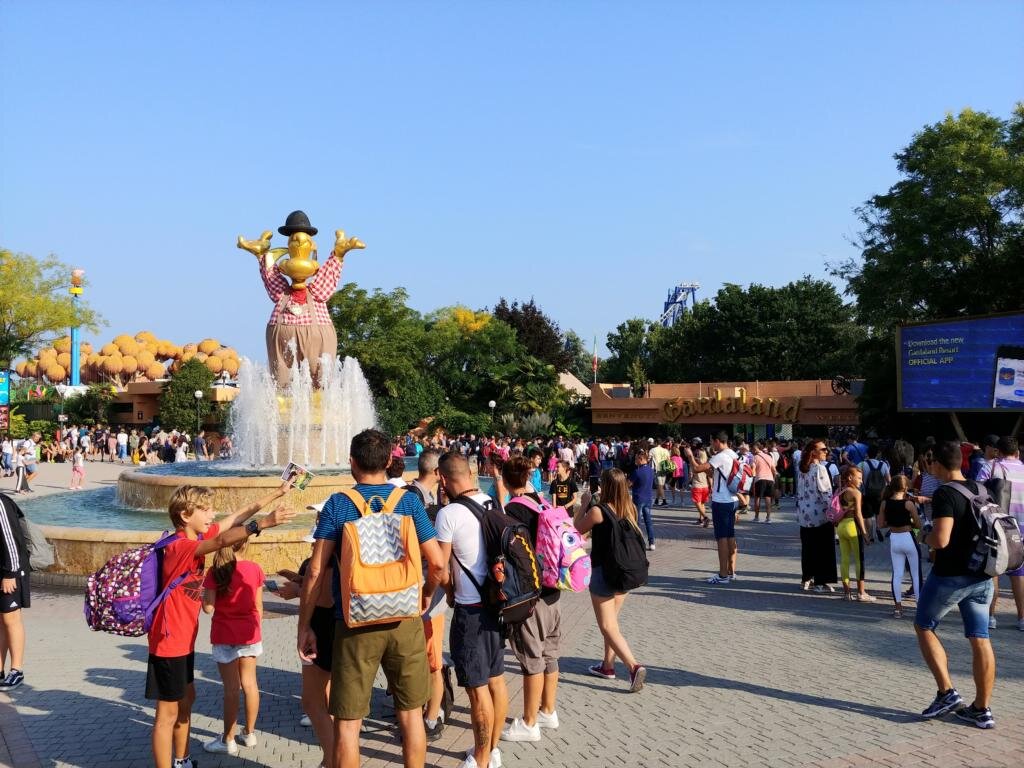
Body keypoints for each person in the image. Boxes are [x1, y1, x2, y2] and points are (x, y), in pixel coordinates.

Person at [297, 429, 445, 768]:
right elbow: (437, 563)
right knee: (410, 715)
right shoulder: (409, 502)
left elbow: (316, 571)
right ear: (390, 461)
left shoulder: (338, 504)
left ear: (352, 462)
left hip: (354, 621)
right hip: (404, 617)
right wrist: (425, 595)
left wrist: (305, 625)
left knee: (348, 724)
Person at [147, 482, 295, 768]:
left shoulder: (196, 536)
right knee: (167, 714)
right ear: (185, 515)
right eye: (205, 510)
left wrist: (277, 492)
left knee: (186, 701)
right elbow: (221, 541)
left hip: (183, 641)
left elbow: (237, 516)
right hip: (168, 641)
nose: (212, 515)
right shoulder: (180, 546)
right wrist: (262, 524)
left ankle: (182, 760)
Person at [914, 440, 996, 729]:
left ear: (936, 464)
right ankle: (981, 709)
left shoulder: (945, 493)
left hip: (950, 576)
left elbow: (941, 539)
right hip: (983, 576)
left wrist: (923, 535)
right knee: (980, 638)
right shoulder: (982, 489)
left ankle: (946, 692)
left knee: (924, 626)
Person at [434, 452, 508, 768]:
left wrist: (449, 593)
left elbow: (440, 568)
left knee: (477, 691)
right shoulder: (492, 503)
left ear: (443, 478)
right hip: (497, 605)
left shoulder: (448, 514)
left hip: (471, 612)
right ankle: (492, 750)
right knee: (496, 680)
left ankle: (481, 758)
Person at [499, 456, 562, 744]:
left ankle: (529, 722)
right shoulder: (541, 501)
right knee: (550, 654)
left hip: (531, 595)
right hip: (553, 591)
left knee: (531, 659)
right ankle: (548, 710)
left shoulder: (513, 509)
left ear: (505, 480)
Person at [573, 468, 647, 693]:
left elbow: (576, 530)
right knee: (612, 623)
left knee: (607, 626)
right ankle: (607, 666)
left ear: (605, 486)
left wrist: (584, 504)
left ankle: (633, 667)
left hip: (603, 573)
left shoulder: (598, 511)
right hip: (624, 572)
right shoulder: (630, 509)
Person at [275, 508, 337, 767]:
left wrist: (298, 591)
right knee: (322, 702)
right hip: (332, 629)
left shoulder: (329, 552)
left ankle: (332, 759)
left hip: (322, 629)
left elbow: (327, 596)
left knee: (312, 702)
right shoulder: (343, 549)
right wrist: (298, 579)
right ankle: (331, 758)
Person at [201, 541, 265, 755]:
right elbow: (258, 606)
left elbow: (208, 608)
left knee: (231, 688)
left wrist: (202, 595)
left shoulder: (215, 571)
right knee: (250, 684)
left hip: (224, 633)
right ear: (245, 544)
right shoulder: (255, 568)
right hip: (249, 633)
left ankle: (228, 739)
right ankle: (249, 733)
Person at [686, 432, 739, 584]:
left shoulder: (720, 456)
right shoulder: (733, 454)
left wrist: (690, 456)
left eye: (711, 442)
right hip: (733, 499)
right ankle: (731, 571)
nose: (710, 445)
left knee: (721, 538)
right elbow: (713, 472)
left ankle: (723, 575)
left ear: (717, 441)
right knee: (730, 535)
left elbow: (697, 469)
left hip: (721, 500)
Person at [986, 436, 1024, 632]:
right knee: (1019, 574)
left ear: (997, 452)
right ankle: (1022, 618)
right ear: (1017, 452)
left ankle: (990, 617)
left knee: (994, 571)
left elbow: (979, 496)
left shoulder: (990, 467)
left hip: (997, 526)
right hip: (1021, 529)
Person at [877, 475, 923, 618]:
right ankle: (919, 608)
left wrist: (892, 522)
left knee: (897, 574)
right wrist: (909, 522)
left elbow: (880, 524)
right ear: (905, 488)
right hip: (908, 537)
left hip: (894, 539)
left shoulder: (884, 503)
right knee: (915, 574)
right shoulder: (908, 504)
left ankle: (898, 608)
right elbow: (918, 524)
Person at [796, 440, 838, 593]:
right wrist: (834, 512)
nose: (826, 452)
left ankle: (806, 578)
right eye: (823, 449)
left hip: (804, 515)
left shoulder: (802, 468)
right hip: (820, 515)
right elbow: (826, 493)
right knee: (823, 549)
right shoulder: (820, 468)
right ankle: (821, 581)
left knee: (808, 548)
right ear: (813, 452)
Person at [0, 491, 31, 690]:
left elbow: (11, 540)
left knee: (11, 619)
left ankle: (17, 669)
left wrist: (10, 573)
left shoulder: (1, 503)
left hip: (10, 571)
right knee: (1, 620)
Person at [836, 466, 875, 602]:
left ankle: (847, 593)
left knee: (844, 560)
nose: (861, 481)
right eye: (859, 478)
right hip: (853, 527)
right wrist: (865, 533)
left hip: (841, 527)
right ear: (850, 478)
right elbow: (858, 514)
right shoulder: (856, 493)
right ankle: (861, 593)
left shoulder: (840, 491)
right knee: (859, 560)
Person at [859, 445, 891, 543]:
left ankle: (870, 536)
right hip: (880, 493)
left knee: (867, 516)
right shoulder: (883, 464)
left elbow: (858, 479)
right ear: (877, 454)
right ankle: (877, 528)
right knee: (878, 513)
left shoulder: (862, 464)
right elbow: (889, 480)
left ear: (867, 454)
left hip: (867, 493)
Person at [629, 449, 656, 551]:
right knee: (648, 521)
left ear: (641, 459)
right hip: (648, 498)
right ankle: (652, 542)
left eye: (636, 459)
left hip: (638, 499)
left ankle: (639, 542)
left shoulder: (637, 472)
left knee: (637, 522)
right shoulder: (651, 470)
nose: (635, 461)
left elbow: (628, 484)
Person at [751, 441, 777, 524]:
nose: (751, 451)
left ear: (755, 449)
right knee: (768, 498)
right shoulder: (768, 456)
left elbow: (753, 471)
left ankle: (756, 517)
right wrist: (773, 478)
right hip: (770, 479)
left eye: (752, 449)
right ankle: (768, 518)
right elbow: (774, 470)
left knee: (757, 498)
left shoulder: (754, 457)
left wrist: (752, 479)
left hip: (759, 479)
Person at [689, 438, 710, 527]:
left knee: (697, 502)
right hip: (705, 483)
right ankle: (701, 519)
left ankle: (705, 517)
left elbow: (698, 464)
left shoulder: (698, 453)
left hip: (698, 483)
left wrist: (692, 457)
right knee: (702, 503)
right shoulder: (704, 452)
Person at [649, 439, 671, 507]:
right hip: (664, 469)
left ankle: (664, 501)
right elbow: (668, 460)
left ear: (655, 443)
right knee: (660, 485)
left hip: (657, 469)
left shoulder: (652, 450)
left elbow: (649, 459)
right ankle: (656, 500)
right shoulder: (665, 450)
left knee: (660, 486)